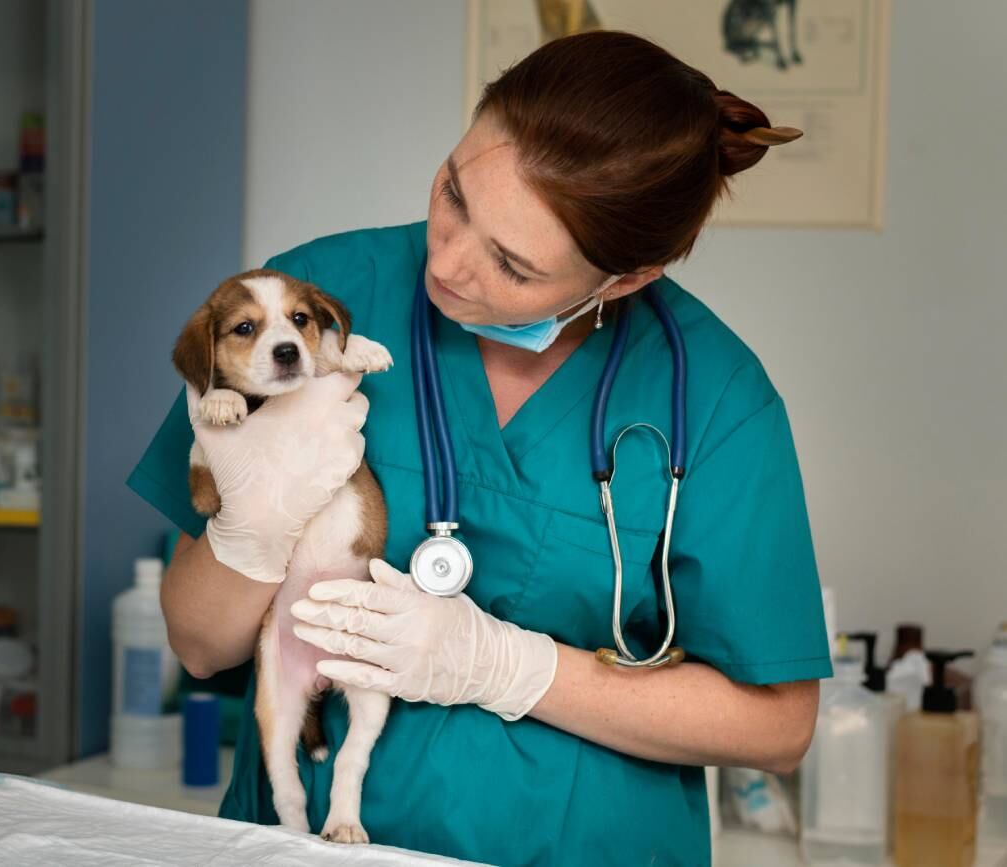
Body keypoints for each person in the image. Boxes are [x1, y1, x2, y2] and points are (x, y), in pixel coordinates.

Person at [128, 30, 830, 866]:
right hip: (300, 843)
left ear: (627, 278)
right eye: (454, 192)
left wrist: (507, 666)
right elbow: (200, 643)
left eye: (512, 263)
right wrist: (251, 528)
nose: (449, 261)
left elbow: (779, 725)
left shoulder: (713, 395)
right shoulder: (309, 304)